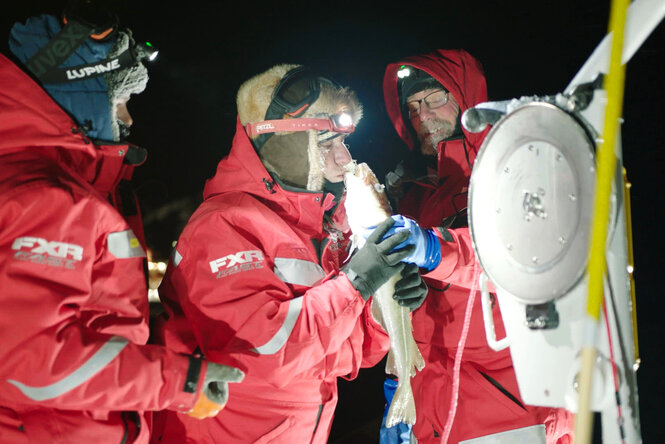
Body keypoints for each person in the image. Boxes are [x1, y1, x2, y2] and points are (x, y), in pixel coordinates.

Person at [0, 2, 243, 443]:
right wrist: (180, 382)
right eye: (121, 100)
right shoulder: (50, 201)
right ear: (84, 97)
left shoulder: (33, 184)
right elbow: (28, 360)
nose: (129, 119)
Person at [150, 63, 428, 443]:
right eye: (327, 143)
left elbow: (341, 354)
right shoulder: (224, 226)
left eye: (345, 142)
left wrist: (383, 311)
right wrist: (357, 283)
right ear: (286, 144)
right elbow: (262, 354)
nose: (344, 158)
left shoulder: (318, 230)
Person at [380, 49, 574, 443]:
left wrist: (435, 249)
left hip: (513, 415)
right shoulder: (412, 196)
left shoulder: (517, 167)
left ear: (465, 99)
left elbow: (524, 257)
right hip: (433, 418)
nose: (422, 116)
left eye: (435, 99)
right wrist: (400, 387)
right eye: (413, 107)